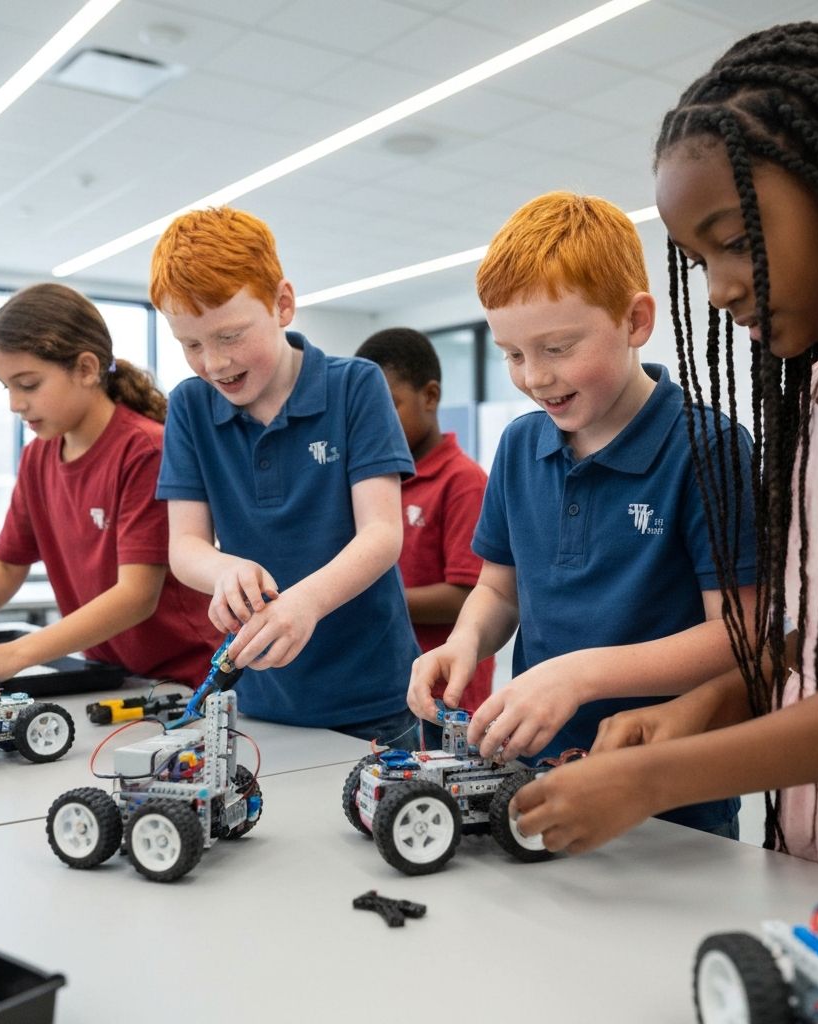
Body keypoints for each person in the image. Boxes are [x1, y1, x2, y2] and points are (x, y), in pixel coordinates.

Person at [511, 22, 818, 886]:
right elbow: (810, 643)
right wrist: (700, 709)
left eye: (735, 241)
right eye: (698, 260)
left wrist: (659, 777)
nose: (720, 289)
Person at [409, 191, 758, 839]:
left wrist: (580, 674)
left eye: (558, 347)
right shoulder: (519, 445)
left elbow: (739, 633)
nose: (535, 377)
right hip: (536, 772)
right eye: (512, 355)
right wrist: (464, 642)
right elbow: (497, 589)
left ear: (634, 320)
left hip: (671, 797)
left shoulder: (708, 449)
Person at [150, 206, 421, 744]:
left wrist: (307, 602)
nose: (214, 363)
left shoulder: (355, 387)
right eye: (191, 345)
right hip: (257, 698)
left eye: (229, 336)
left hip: (374, 698)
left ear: (282, 305)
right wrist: (223, 570)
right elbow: (185, 547)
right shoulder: (189, 406)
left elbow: (382, 534)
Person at [0, 283, 219, 691]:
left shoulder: (146, 450)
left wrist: (13, 653)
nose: (15, 403)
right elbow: (6, 563)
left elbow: (136, 595)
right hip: (111, 678)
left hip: (188, 680)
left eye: (28, 384)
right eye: (7, 387)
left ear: (86, 369)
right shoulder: (37, 457)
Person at [355, 327, 494, 714]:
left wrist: (358, 596)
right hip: (387, 682)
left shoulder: (463, 482)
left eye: (389, 406)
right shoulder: (375, 482)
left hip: (447, 692)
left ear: (429, 396)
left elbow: (466, 596)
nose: (373, 423)